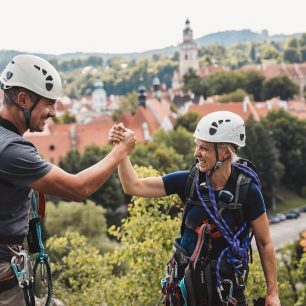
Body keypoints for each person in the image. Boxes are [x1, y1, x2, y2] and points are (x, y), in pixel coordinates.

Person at [0, 54, 136, 305]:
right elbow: (78, 188)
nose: (53, 112)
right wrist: (120, 151)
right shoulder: (10, 150)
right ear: (23, 99)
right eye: (48, 104)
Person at [109, 111, 281, 306]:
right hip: (185, 287)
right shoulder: (189, 181)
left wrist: (272, 293)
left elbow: (265, 243)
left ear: (225, 152)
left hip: (225, 291)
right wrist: (120, 152)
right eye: (196, 146)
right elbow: (133, 186)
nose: (196, 153)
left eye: (204, 148)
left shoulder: (247, 191)